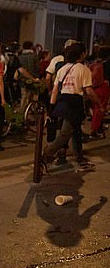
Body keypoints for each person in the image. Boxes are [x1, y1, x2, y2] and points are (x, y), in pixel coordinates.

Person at [42, 42, 100, 171]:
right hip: (74, 103)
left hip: (61, 102)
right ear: (82, 54)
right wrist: (99, 103)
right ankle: (45, 157)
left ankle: (79, 158)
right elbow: (89, 91)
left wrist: (52, 107)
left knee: (76, 131)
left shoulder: (63, 68)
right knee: (65, 134)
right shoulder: (83, 69)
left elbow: (56, 89)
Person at [89, 46, 109, 138]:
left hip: (94, 88)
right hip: (103, 88)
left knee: (96, 108)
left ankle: (98, 127)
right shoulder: (106, 64)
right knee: (100, 109)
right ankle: (94, 130)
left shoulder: (94, 63)